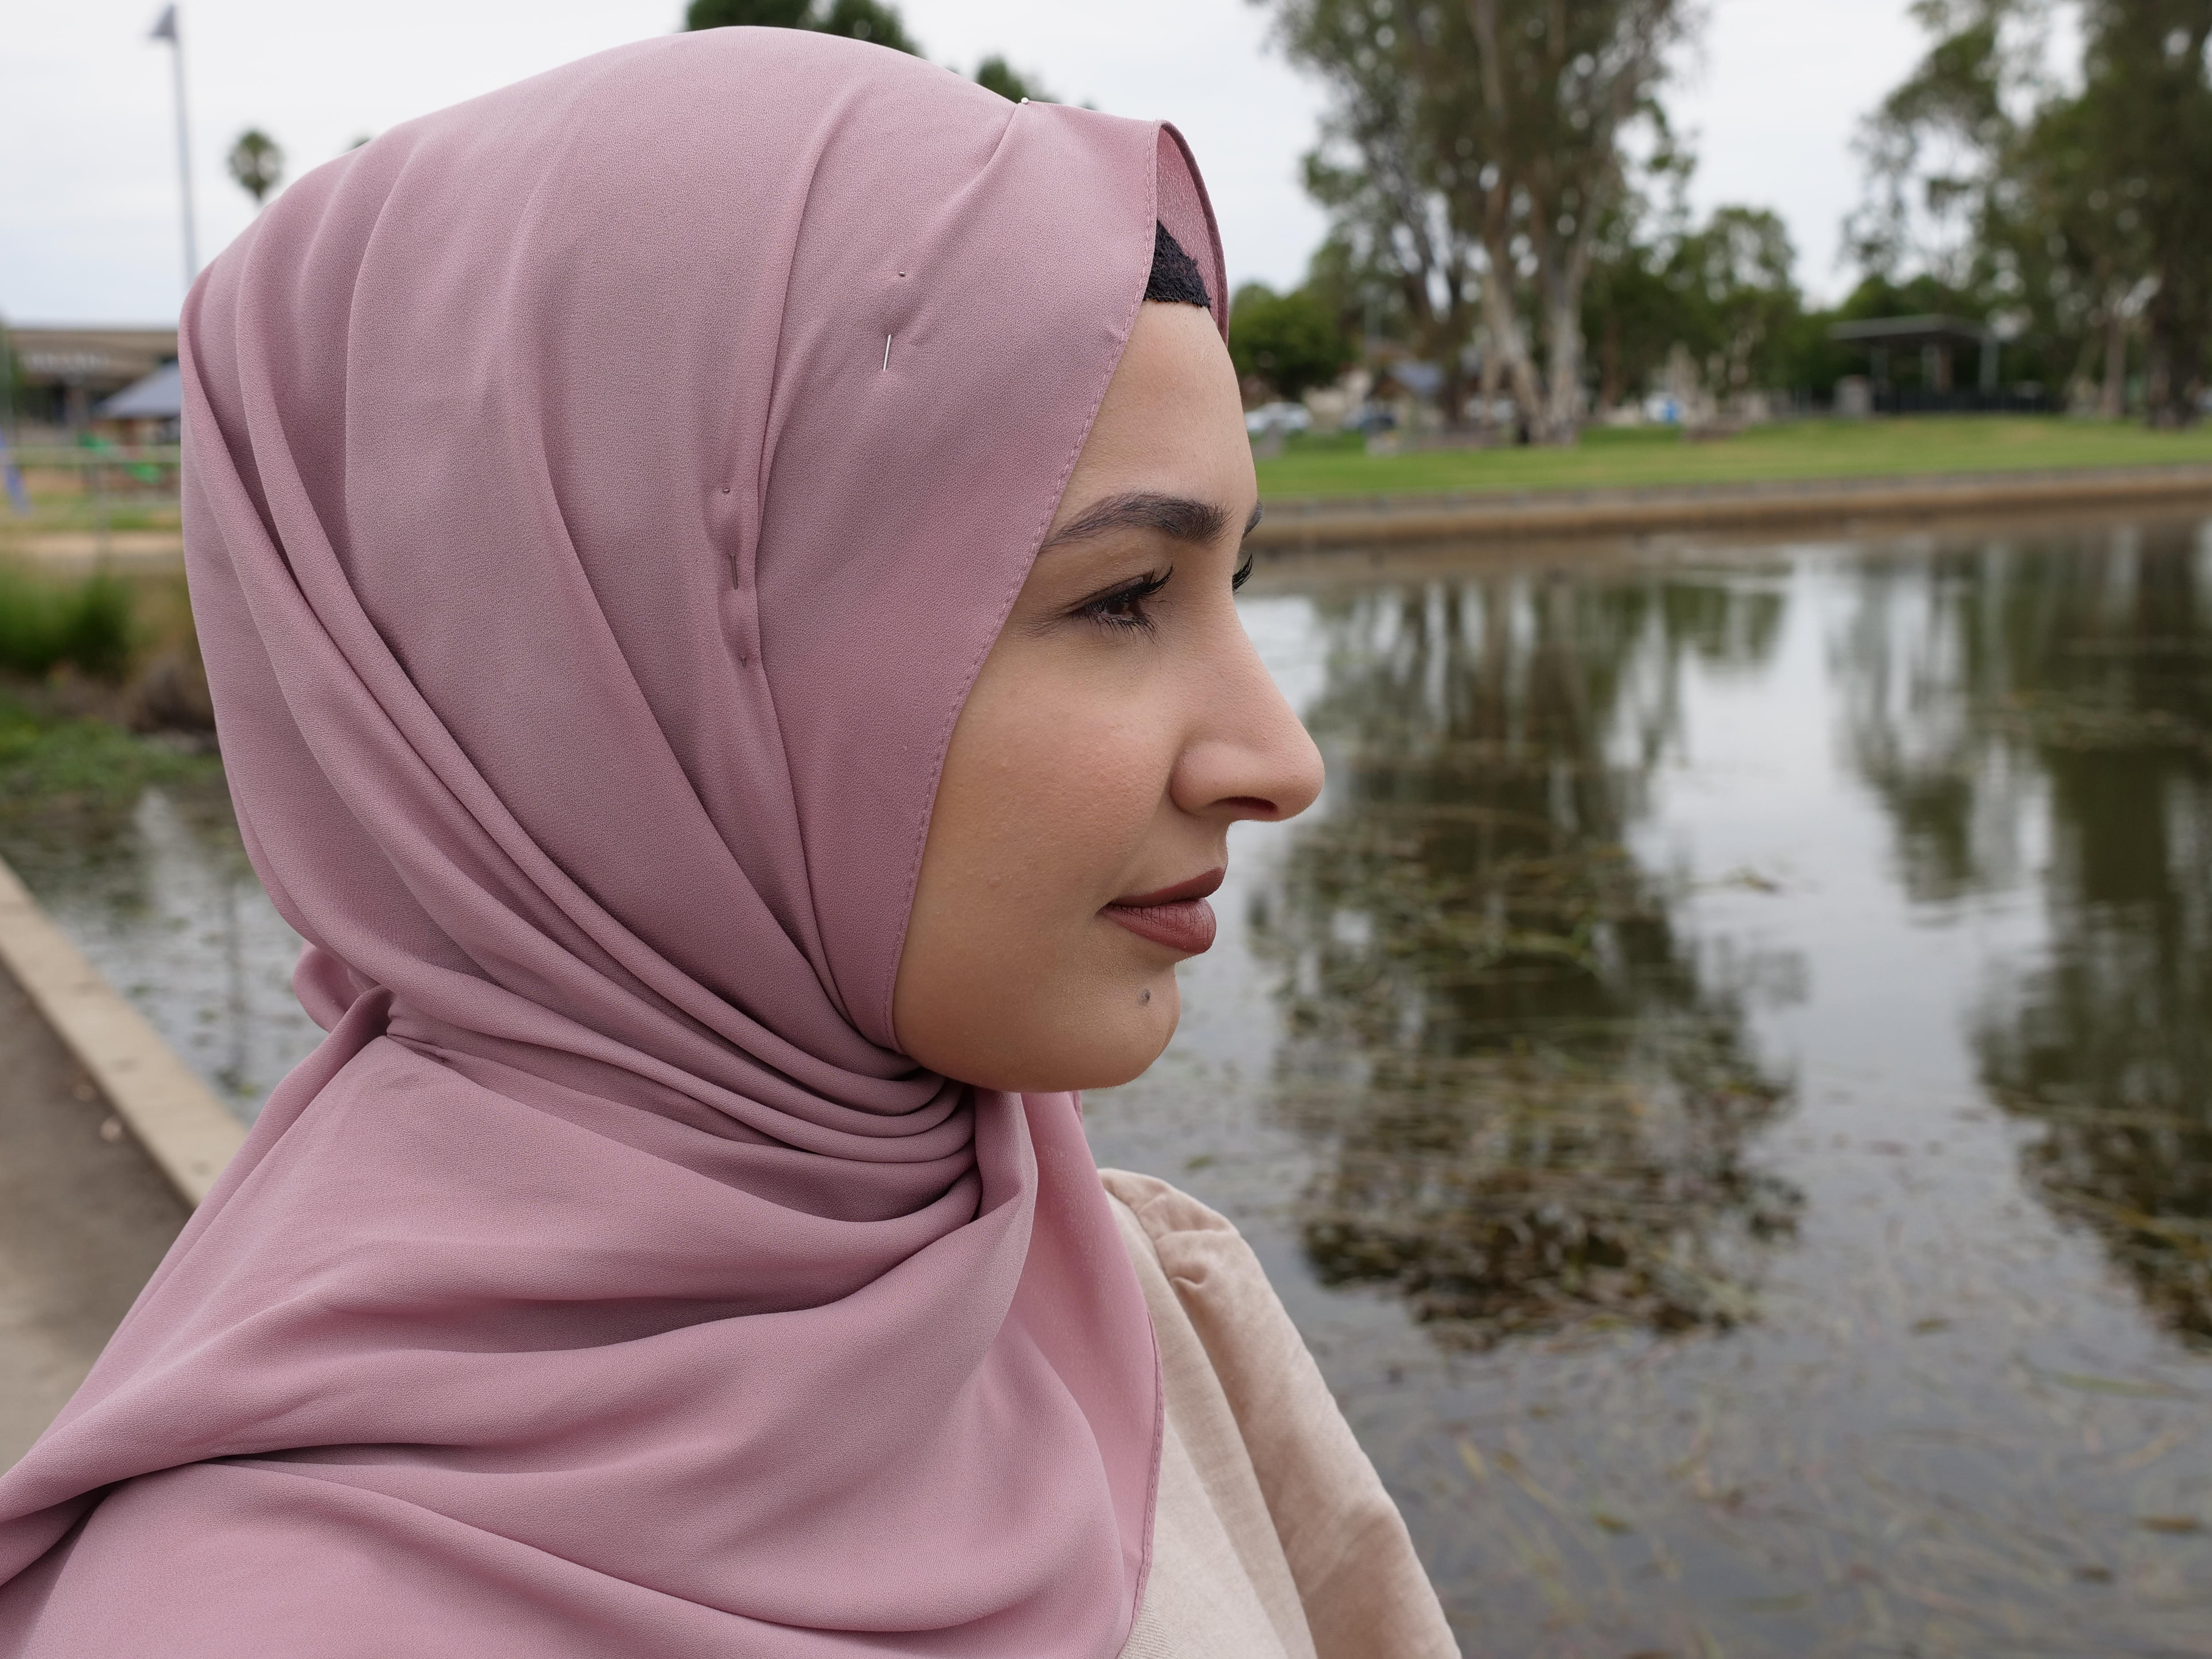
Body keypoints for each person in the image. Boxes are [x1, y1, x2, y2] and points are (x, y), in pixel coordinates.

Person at [0, 29, 1456, 1658]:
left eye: (1230, 586)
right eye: (1120, 596)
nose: (1285, 760)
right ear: (627, 665)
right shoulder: (237, 1622)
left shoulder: (1132, 1304)